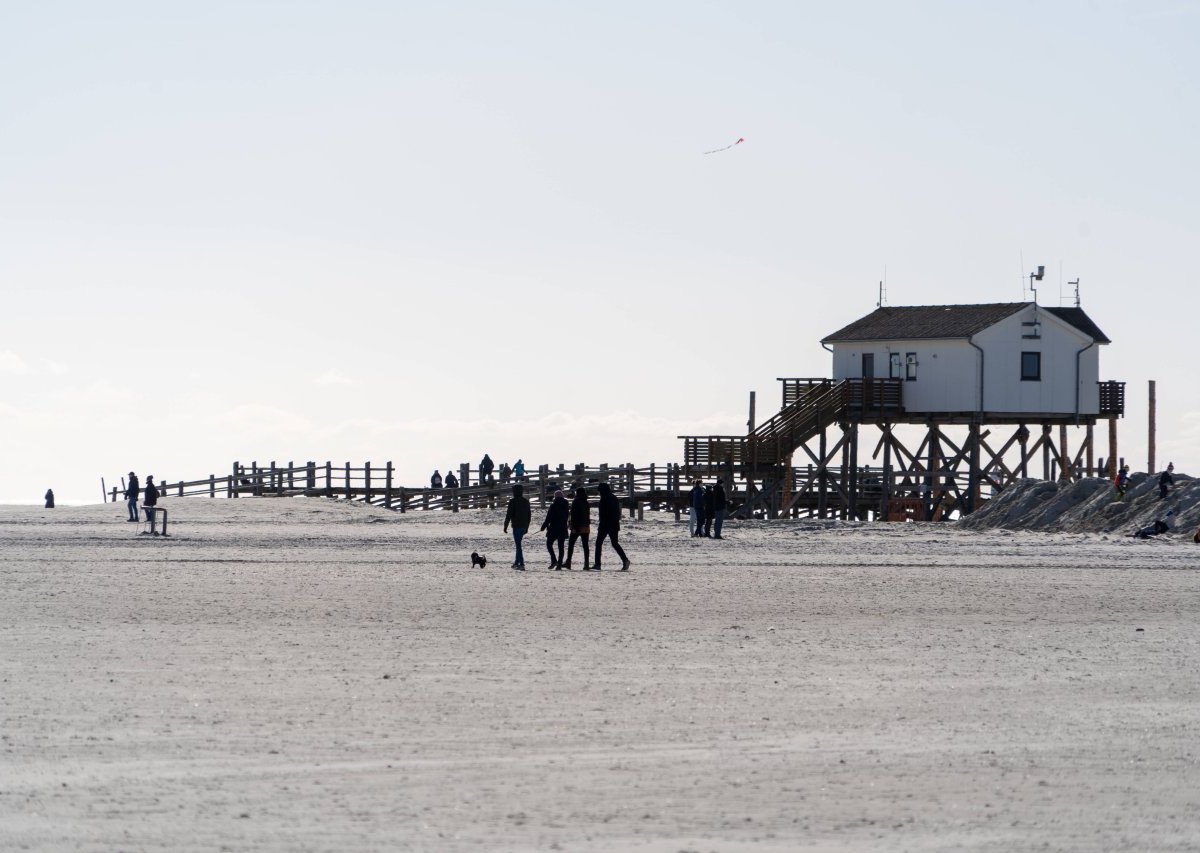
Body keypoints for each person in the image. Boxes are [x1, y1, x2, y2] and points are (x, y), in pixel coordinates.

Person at [594, 481, 630, 571]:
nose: (599, 493)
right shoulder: (613, 497)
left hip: (605, 524)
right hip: (614, 524)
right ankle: (625, 560)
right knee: (614, 543)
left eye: (600, 491)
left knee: (599, 543)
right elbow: (617, 512)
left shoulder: (604, 498)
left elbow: (604, 513)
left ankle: (598, 564)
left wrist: (602, 522)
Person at [503, 484, 532, 570]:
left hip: (516, 526)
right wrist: (527, 527)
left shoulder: (513, 501)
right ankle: (516, 562)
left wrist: (505, 526)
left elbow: (509, 514)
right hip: (523, 526)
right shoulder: (526, 501)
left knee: (518, 545)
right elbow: (529, 515)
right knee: (518, 544)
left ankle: (521, 563)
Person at [540, 489, 570, 570]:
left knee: (549, 544)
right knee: (561, 547)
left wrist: (543, 527)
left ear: (555, 497)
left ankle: (554, 560)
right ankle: (559, 564)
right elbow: (567, 516)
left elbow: (548, 518)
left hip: (554, 528)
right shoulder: (566, 505)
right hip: (563, 528)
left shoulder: (553, 505)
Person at [565, 486, 591, 570]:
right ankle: (586, 564)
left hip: (577, 526)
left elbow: (574, 515)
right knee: (585, 546)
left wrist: (573, 527)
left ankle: (568, 562)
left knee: (571, 544)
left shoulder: (576, 502)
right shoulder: (586, 502)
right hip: (586, 526)